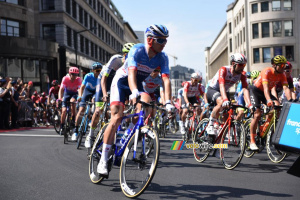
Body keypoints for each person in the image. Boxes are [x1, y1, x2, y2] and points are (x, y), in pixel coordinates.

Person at [97, 24, 174, 177]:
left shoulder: (162, 57)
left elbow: (166, 81)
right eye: (160, 40)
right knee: (116, 117)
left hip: (138, 84)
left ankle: (124, 139)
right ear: (150, 40)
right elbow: (131, 73)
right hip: (122, 82)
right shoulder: (137, 50)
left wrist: (169, 102)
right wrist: (133, 92)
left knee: (146, 106)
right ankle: (103, 160)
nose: (164, 44)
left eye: (165, 41)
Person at [85, 43, 135, 148]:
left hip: (117, 84)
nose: (129, 58)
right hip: (104, 81)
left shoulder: (133, 65)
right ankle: (90, 135)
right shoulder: (115, 60)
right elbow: (103, 79)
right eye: (127, 55)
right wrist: (104, 94)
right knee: (98, 110)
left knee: (120, 112)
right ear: (124, 54)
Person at [249, 55, 292, 150]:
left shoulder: (282, 75)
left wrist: (290, 101)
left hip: (266, 92)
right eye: (281, 66)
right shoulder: (267, 71)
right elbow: (265, 88)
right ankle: (252, 141)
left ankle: (265, 126)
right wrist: (268, 100)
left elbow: (286, 88)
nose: (283, 68)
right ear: (274, 65)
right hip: (256, 91)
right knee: (257, 115)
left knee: (277, 106)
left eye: (284, 65)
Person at [206, 53, 251, 137]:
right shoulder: (224, 70)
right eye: (240, 65)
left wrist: (250, 104)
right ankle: (210, 125)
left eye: (244, 65)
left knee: (229, 110)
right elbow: (221, 85)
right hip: (213, 89)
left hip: (223, 92)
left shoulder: (242, 75)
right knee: (222, 102)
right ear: (233, 64)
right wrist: (226, 99)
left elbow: (245, 89)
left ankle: (220, 127)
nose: (243, 67)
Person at [72, 62, 102, 141]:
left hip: (96, 92)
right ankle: (75, 131)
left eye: (100, 70)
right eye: (97, 71)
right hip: (87, 91)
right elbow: (82, 87)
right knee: (81, 110)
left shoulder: (101, 77)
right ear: (93, 70)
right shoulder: (88, 76)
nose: (99, 72)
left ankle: (90, 118)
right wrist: (80, 96)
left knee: (95, 105)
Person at [179, 73, 204, 138]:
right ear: (191, 79)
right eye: (195, 80)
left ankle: (196, 121)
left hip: (192, 97)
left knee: (198, 108)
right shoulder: (187, 84)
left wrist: (205, 103)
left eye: (198, 80)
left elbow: (202, 95)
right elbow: (184, 94)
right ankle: (182, 125)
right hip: (185, 97)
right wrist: (187, 103)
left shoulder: (198, 85)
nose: (196, 82)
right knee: (185, 111)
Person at [58, 67, 82, 135]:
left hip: (74, 94)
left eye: (76, 74)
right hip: (66, 94)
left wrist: (80, 96)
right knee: (64, 111)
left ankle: (73, 119)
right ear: (69, 74)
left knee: (73, 101)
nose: (74, 76)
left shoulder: (78, 79)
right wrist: (60, 98)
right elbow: (61, 89)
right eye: (72, 74)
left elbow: (80, 89)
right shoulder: (65, 78)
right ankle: (62, 126)